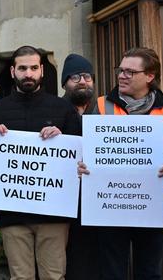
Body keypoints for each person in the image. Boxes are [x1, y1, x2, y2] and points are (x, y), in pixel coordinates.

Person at [78, 47, 163, 280]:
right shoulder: (100, 105)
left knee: (148, 273)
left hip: (152, 208)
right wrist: (82, 165)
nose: (121, 76)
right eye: (120, 70)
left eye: (129, 71)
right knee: (112, 273)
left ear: (149, 76)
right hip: (109, 207)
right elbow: (85, 148)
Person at [0, 45, 82, 280]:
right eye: (23, 68)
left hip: (53, 214)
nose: (29, 74)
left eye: (34, 68)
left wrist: (63, 137)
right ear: (13, 71)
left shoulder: (63, 109)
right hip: (13, 213)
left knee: (54, 276)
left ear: (42, 71)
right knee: (20, 277)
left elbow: (81, 152)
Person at [60, 53, 99, 280]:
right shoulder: (53, 111)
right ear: (65, 83)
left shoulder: (103, 111)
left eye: (86, 76)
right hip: (64, 203)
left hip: (98, 204)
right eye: (75, 77)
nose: (82, 81)